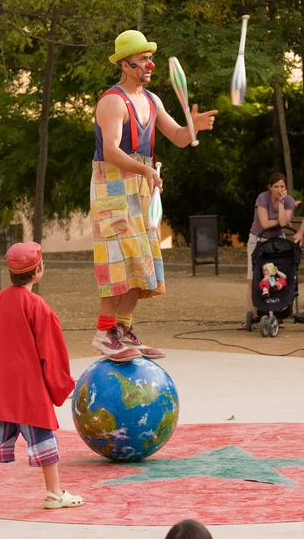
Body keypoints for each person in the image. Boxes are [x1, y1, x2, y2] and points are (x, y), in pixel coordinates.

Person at [90, 29, 218, 361]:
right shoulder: (112, 101)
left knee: (141, 259)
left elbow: (176, 135)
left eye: (151, 58)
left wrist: (194, 127)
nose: (151, 64)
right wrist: (144, 170)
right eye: (145, 58)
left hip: (141, 185)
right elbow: (110, 150)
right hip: (114, 185)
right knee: (119, 259)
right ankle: (105, 333)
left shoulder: (151, 100)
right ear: (126, 64)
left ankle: (123, 328)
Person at [0, 242, 83, 511]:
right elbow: (51, 352)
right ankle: (54, 493)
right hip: (29, 385)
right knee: (43, 435)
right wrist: (59, 384)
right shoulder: (39, 307)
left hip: (2, 385)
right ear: (37, 272)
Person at [239, 172, 295, 329]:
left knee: (275, 277)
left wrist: (282, 203)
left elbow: (283, 223)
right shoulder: (262, 198)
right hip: (258, 239)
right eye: (276, 186)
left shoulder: (288, 200)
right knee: (254, 278)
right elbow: (264, 223)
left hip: (277, 242)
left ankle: (275, 314)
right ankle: (251, 316)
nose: (279, 189)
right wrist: (280, 220)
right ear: (269, 188)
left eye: (282, 186)